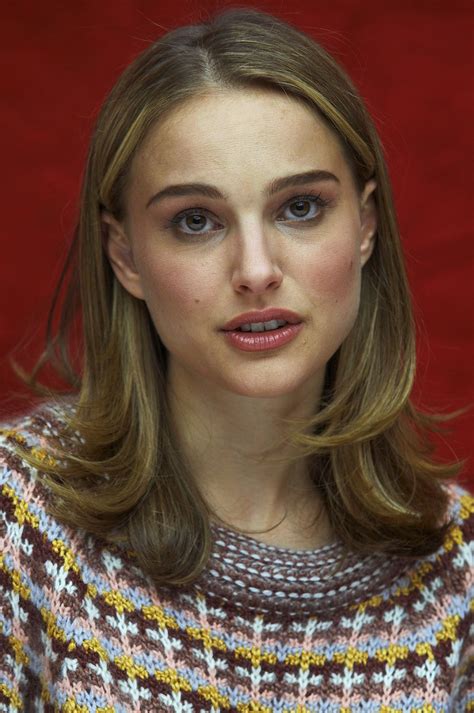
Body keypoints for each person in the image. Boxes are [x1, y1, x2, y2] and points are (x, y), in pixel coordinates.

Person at [0, 7, 472, 711]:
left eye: (301, 207)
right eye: (196, 220)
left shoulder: (456, 573)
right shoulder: (21, 521)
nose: (256, 270)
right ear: (125, 253)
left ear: (366, 226)